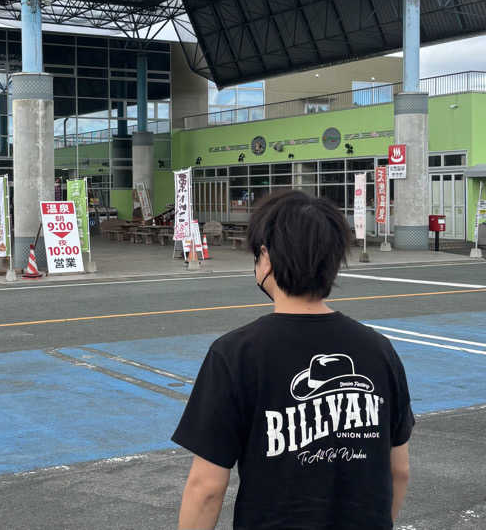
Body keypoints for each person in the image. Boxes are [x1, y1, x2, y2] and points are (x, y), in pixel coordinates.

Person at [173, 190, 413, 529]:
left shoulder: (235, 354)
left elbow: (207, 488)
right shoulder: (378, 350)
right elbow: (398, 470)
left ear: (267, 258)